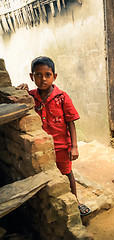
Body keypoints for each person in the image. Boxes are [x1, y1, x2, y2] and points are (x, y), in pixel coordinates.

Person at [20, 56, 90, 216]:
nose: (43, 79)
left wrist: (74, 147)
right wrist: (20, 91)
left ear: (54, 76)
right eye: (38, 75)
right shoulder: (30, 97)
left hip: (61, 147)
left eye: (47, 75)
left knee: (66, 173)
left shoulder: (62, 97)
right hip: (40, 147)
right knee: (45, 174)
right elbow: (17, 101)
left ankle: (75, 201)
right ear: (31, 77)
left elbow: (71, 123)